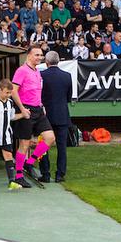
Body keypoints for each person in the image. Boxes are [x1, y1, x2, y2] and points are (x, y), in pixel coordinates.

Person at [10, 45, 56, 188]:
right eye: (36, 55)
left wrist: (41, 105)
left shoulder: (37, 71)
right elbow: (13, 91)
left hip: (38, 110)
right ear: (28, 55)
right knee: (24, 144)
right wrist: (22, 109)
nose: (40, 57)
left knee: (50, 138)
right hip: (26, 110)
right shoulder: (21, 71)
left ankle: (29, 163)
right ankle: (18, 176)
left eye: (41, 55)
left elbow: (36, 91)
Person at [38, 51, 72, 183]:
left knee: (43, 145)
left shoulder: (41, 76)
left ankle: (45, 173)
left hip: (45, 116)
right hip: (62, 115)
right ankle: (60, 174)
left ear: (46, 62)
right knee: (62, 147)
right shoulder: (67, 76)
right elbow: (69, 97)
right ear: (58, 61)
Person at [0, 79, 24, 190]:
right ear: (0, 90)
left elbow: (12, 117)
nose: (8, 95)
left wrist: (23, 114)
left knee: (8, 157)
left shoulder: (10, 102)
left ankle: (11, 182)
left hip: (6, 136)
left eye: (10, 93)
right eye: (6, 92)